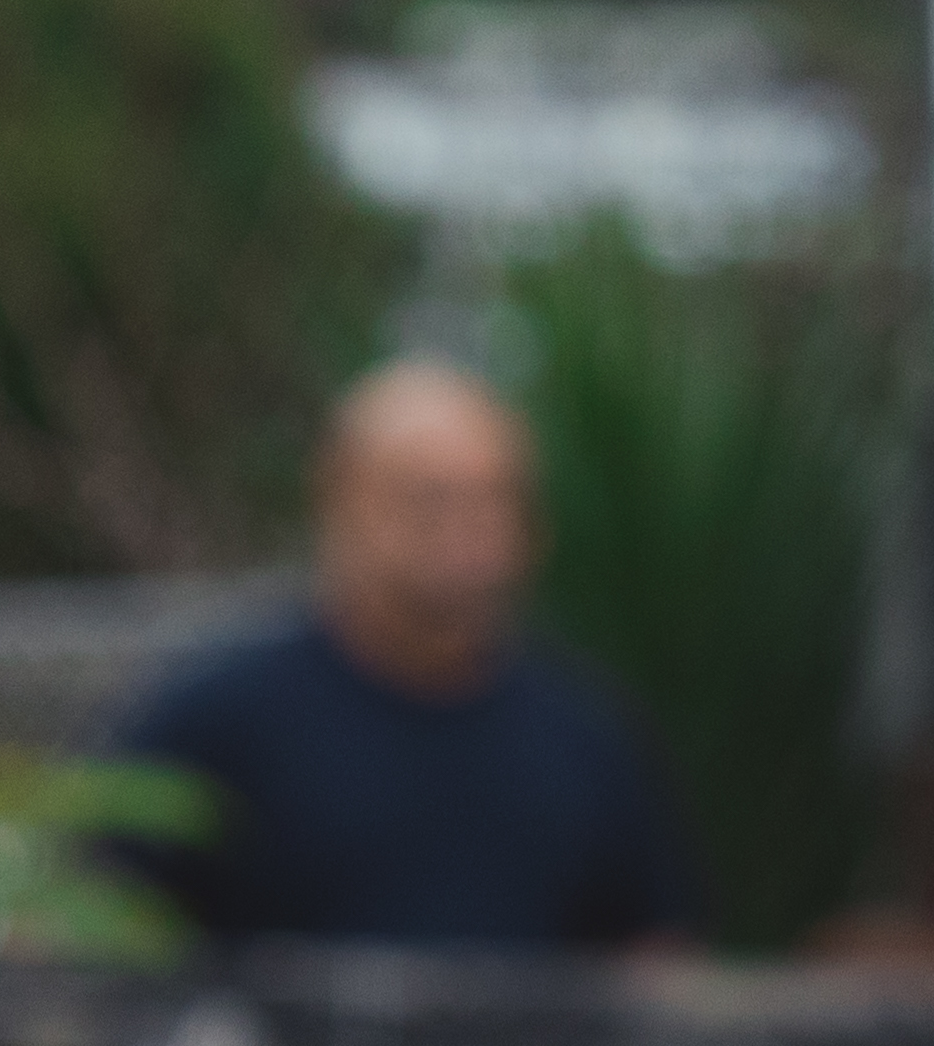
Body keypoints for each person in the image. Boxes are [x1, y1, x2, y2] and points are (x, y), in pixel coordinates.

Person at [102, 360, 696, 952]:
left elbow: (652, 955)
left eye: (496, 498)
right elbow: (83, 927)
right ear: (338, 496)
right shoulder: (217, 720)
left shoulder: (584, 732)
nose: (469, 529)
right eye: (429, 497)